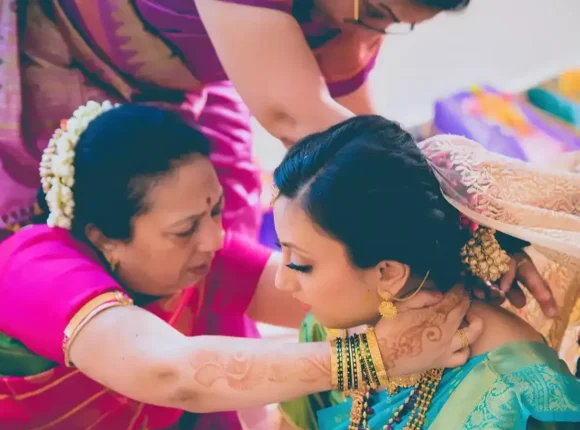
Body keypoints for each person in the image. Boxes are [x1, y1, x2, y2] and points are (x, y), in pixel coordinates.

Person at [0, 102, 482, 430]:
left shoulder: (194, 261)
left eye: (215, 211)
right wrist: (376, 356)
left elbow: (338, 289)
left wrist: (471, 265)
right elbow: (170, 372)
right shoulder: (37, 268)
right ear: (104, 238)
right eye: (186, 228)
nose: (214, 239)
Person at [1, 0, 558, 316]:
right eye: (374, 9)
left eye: (393, 23)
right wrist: (465, 222)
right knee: (101, 265)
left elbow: (365, 144)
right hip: (55, 61)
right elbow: (297, 118)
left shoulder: (354, 16)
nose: (372, 31)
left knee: (220, 241)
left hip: (184, 85)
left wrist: (469, 229)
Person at [263, 117, 579, 430]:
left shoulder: (523, 391)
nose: (281, 281)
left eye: (300, 264)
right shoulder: (330, 333)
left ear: (388, 273)